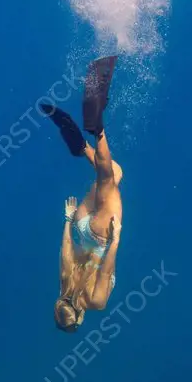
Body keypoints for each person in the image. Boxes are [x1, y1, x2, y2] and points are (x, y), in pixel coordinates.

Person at [41, 56, 123, 333]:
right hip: (81, 225)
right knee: (113, 173)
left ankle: (97, 128)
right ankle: (82, 149)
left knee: (108, 177)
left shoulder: (94, 302)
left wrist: (115, 240)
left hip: (102, 235)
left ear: (78, 318)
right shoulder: (64, 285)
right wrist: (67, 219)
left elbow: (108, 269)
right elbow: (65, 252)